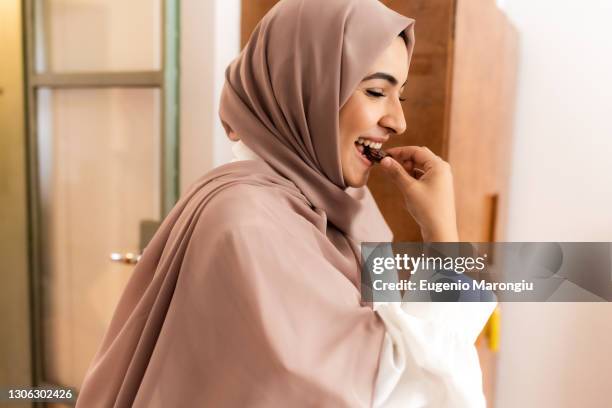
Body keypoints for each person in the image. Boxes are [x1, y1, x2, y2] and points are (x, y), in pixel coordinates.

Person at [76, 0, 496, 406]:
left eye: (399, 96)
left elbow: (400, 355)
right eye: (375, 91)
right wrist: (443, 239)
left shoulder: (352, 211)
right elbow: (391, 389)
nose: (397, 121)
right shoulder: (247, 222)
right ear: (306, 89)